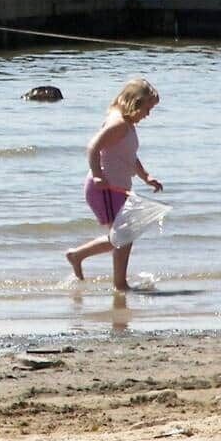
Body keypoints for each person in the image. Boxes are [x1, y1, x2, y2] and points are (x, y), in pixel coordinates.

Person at [65, 78, 163, 291]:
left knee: (122, 236)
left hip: (117, 188)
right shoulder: (118, 124)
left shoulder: (127, 124)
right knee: (123, 237)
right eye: (147, 109)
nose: (148, 114)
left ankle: (77, 255)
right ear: (135, 102)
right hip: (104, 189)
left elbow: (129, 155)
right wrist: (97, 175)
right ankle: (120, 284)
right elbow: (93, 147)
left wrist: (146, 176)